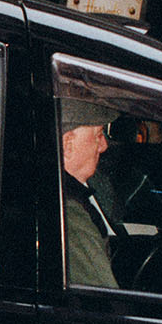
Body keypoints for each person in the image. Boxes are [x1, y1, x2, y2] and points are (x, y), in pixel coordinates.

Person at [61, 99, 118, 287]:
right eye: (98, 135)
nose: (104, 146)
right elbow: (105, 301)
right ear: (68, 144)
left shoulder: (66, 194)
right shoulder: (68, 215)